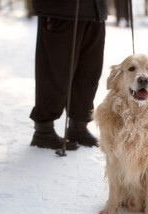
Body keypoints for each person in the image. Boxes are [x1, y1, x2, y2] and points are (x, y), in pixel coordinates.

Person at [30, 0, 108, 150]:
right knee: (55, 72)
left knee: (89, 73)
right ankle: (43, 130)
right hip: (61, 10)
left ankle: (78, 127)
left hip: (96, 10)